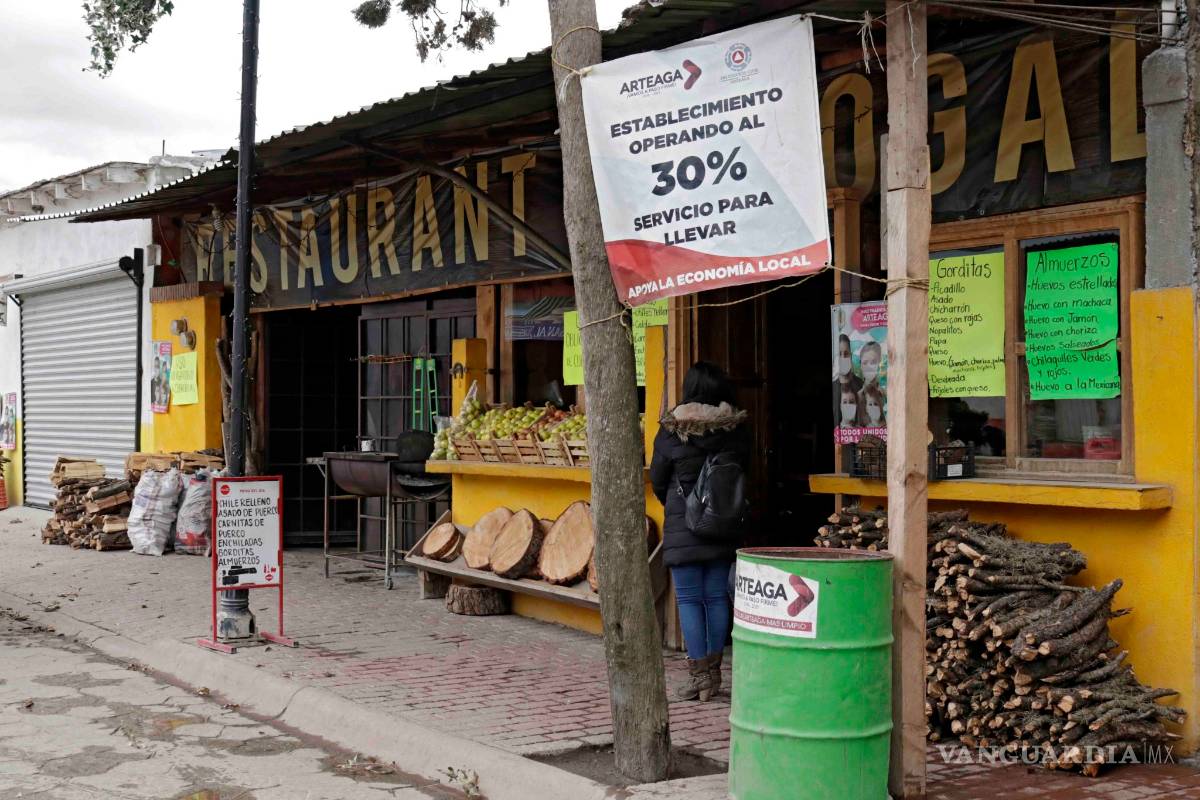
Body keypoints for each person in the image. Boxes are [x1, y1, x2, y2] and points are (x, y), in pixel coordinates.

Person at [650, 361, 749, 702]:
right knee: (716, 598)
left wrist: (680, 507)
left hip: (684, 525)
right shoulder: (733, 430)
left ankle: (699, 677)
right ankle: (715, 675)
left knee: (690, 601)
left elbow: (658, 480)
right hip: (722, 525)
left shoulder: (672, 428)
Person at [832, 333, 863, 427]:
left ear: (851, 355)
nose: (843, 358)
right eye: (840, 354)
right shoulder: (833, 388)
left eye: (846, 354)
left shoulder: (861, 386)